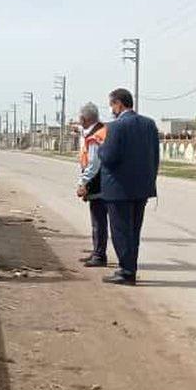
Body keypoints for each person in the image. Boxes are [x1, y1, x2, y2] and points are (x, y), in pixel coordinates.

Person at [97, 88, 159, 286]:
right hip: (141, 188)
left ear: (119, 104)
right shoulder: (149, 124)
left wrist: (100, 148)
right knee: (133, 231)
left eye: (112, 105)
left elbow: (108, 157)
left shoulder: (115, 127)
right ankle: (130, 268)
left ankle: (126, 271)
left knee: (121, 232)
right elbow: (155, 156)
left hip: (119, 190)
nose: (111, 110)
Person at [75, 102, 109, 268]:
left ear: (84, 118)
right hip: (101, 182)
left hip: (98, 183)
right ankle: (97, 251)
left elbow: (94, 164)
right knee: (98, 221)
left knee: (98, 221)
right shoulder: (98, 131)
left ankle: (99, 254)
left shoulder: (95, 136)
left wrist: (83, 181)